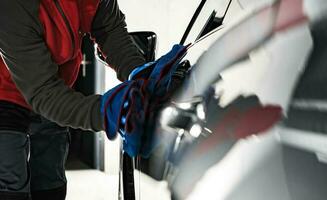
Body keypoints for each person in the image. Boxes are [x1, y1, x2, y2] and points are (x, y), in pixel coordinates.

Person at [0, 0, 186, 199]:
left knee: (50, 183)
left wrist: (141, 77)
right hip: (8, 95)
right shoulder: (12, 6)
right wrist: (108, 112)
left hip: (57, 88)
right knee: (10, 186)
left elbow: (110, 31)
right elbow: (44, 93)